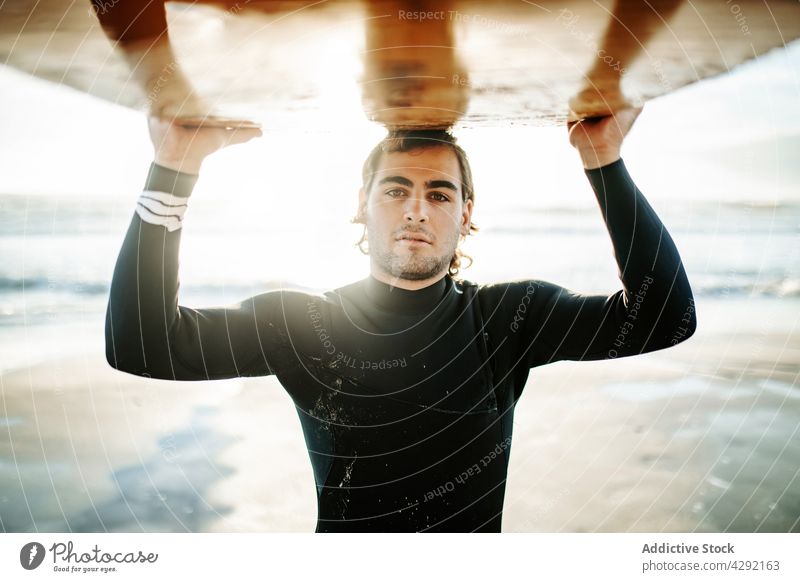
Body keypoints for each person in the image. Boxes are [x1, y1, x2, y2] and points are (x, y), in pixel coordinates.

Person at [106, 108, 697, 532]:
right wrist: (173, 168)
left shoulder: (511, 319)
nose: (417, 209)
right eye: (395, 190)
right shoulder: (303, 325)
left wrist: (604, 161)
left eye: (440, 195)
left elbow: (665, 317)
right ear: (360, 205)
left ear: (467, 215)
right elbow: (141, 345)